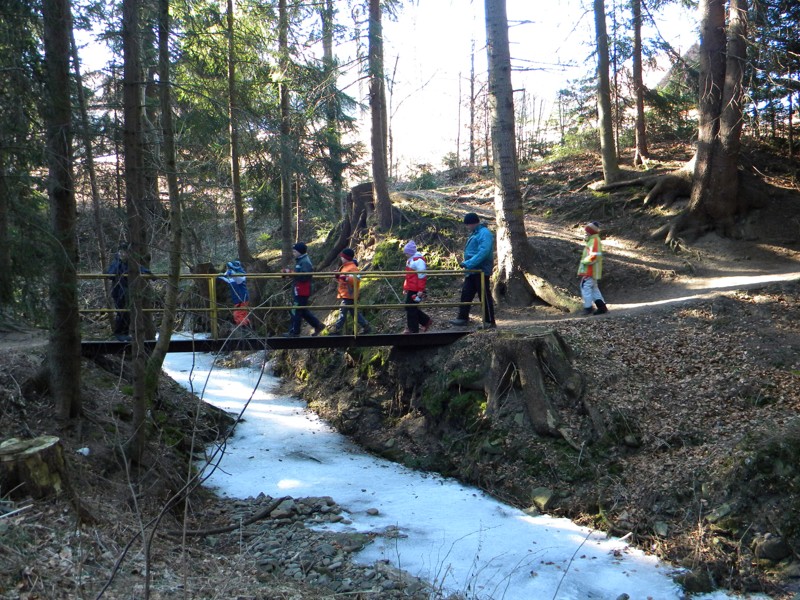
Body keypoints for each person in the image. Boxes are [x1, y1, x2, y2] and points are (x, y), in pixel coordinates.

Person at [449, 213, 496, 328]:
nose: (467, 227)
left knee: (484, 295)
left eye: (468, 225)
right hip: (472, 270)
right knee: (466, 293)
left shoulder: (484, 233)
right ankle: (462, 318)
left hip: (480, 270)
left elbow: (483, 252)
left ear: (473, 223)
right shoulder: (476, 233)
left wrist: (468, 263)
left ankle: (490, 321)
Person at [105, 242, 151, 341]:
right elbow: (110, 274)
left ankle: (124, 333)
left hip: (127, 291)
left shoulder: (131, 262)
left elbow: (139, 268)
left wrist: (149, 273)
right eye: (120, 252)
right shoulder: (116, 262)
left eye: (124, 252)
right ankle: (119, 333)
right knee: (122, 312)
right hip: (118, 291)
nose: (122, 254)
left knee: (128, 313)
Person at [283, 242, 324, 337]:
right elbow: (299, 275)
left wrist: (292, 273)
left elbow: (304, 277)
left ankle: (295, 332)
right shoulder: (301, 261)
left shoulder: (305, 262)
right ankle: (318, 325)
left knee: (296, 310)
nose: (293, 253)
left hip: (302, 290)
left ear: (299, 252)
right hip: (299, 290)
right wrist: (290, 273)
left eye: (294, 251)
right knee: (302, 310)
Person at [329, 248, 371, 335]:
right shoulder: (345, 267)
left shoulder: (352, 268)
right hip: (346, 293)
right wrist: (338, 276)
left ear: (345, 258)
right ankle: (366, 326)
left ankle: (336, 328)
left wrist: (344, 277)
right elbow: (342, 279)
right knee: (354, 312)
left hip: (349, 293)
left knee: (342, 311)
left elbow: (356, 279)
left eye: (342, 257)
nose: (341, 258)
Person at [402, 240, 433, 334]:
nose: (405, 255)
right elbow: (408, 276)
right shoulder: (411, 260)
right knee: (410, 307)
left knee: (410, 307)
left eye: (406, 253)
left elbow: (422, 276)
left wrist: (420, 289)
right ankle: (425, 321)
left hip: (415, 288)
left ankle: (413, 329)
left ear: (410, 252)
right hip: (411, 287)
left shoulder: (418, 261)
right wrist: (406, 287)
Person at [578, 221, 608, 315]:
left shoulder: (594, 241)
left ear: (591, 232)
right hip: (592, 270)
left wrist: (584, 261)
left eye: (587, 231)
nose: (586, 233)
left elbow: (594, 256)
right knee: (594, 288)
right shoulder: (593, 240)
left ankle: (588, 307)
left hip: (591, 269)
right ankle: (602, 307)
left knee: (585, 286)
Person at [218, 260, 252, 328]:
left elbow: (238, 279)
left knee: (238, 315)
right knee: (241, 314)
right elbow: (228, 280)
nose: (227, 269)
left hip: (242, 299)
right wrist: (220, 276)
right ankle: (246, 329)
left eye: (229, 268)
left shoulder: (240, 276)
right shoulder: (233, 278)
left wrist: (231, 272)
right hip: (238, 299)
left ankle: (244, 330)